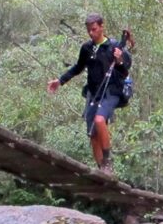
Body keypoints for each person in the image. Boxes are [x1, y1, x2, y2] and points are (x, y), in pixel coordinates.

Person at [48, 13, 132, 174]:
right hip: (94, 93)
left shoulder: (114, 47)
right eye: (89, 30)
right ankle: (102, 171)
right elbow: (78, 68)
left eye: (94, 29)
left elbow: (125, 70)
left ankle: (107, 163)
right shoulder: (87, 48)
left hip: (111, 91)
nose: (91, 33)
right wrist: (60, 81)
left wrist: (120, 60)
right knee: (93, 134)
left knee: (100, 120)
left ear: (101, 27)